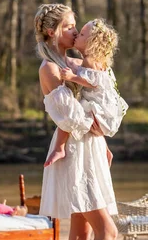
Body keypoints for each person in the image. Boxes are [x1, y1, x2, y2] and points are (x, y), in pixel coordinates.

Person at [34, 3, 119, 240]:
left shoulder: (74, 64)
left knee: (81, 238)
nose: (75, 31)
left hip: (90, 150)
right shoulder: (50, 70)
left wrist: (104, 141)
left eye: (76, 27)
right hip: (77, 156)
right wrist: (96, 127)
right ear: (52, 32)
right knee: (107, 232)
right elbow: (70, 116)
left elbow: (94, 100)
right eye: (70, 26)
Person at [44, 18, 128, 168]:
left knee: (77, 108)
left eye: (82, 34)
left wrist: (73, 77)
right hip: (99, 108)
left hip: (97, 109)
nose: (76, 34)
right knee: (75, 108)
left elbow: (93, 83)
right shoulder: (89, 61)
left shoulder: (89, 62)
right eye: (70, 28)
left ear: (91, 43)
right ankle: (60, 147)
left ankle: (60, 147)